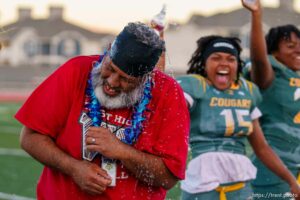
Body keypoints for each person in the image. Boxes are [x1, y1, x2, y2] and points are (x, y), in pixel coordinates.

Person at [15, 22, 190, 200]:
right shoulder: (77, 70)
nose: (112, 82)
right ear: (107, 50)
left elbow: (168, 178)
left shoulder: (168, 93)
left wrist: (121, 151)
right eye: (110, 68)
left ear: (146, 78)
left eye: (125, 79)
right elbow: (29, 137)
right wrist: (73, 168)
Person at [176, 35, 300, 200]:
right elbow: (165, 107)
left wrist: (291, 180)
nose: (224, 63)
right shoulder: (195, 86)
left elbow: (262, 148)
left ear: (237, 64)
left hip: (241, 184)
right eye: (216, 58)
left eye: (231, 59)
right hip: (203, 182)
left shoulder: (247, 91)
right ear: (204, 63)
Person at [242, 0, 300, 198]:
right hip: (271, 176)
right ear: (273, 52)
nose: (298, 51)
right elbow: (259, 60)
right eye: (291, 46)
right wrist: (256, 15)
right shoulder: (270, 75)